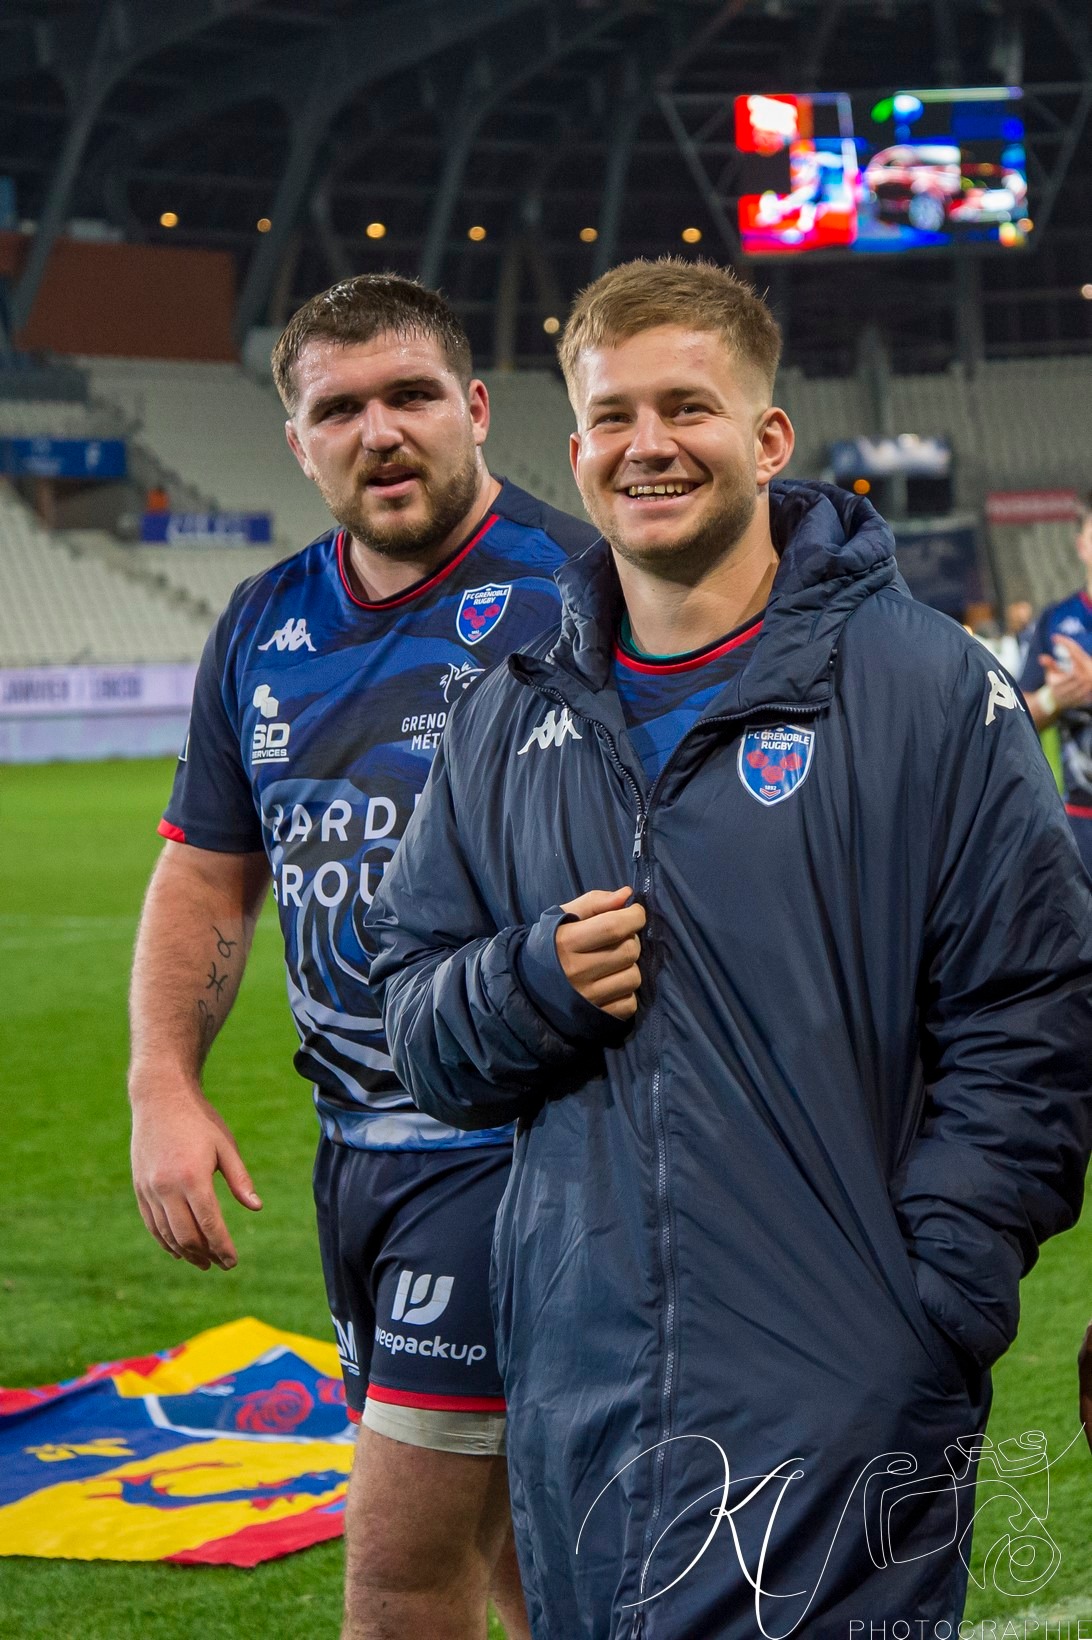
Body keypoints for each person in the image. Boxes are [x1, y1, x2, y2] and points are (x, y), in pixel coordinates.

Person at [367, 259, 1092, 1638]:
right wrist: (529, 985)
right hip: (583, 1400)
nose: (649, 445)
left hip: (849, 1389)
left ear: (768, 438)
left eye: (687, 407)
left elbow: (1035, 1019)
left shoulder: (929, 688)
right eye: (614, 415)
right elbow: (412, 1015)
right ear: (574, 450)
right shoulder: (505, 718)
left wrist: (928, 1294)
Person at [127, 274, 598, 1640]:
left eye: (408, 396)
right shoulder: (264, 626)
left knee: (398, 1576)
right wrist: (164, 1079)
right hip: (360, 1163)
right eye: (339, 408)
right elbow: (210, 872)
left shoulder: (584, 588)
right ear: (296, 440)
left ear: (475, 407)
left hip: (522, 1151)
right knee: (519, 1560)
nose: (378, 431)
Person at [1020, 495, 1092, 878]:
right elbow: (1016, 717)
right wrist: (1055, 697)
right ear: (1081, 543)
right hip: (1080, 821)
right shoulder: (1055, 620)